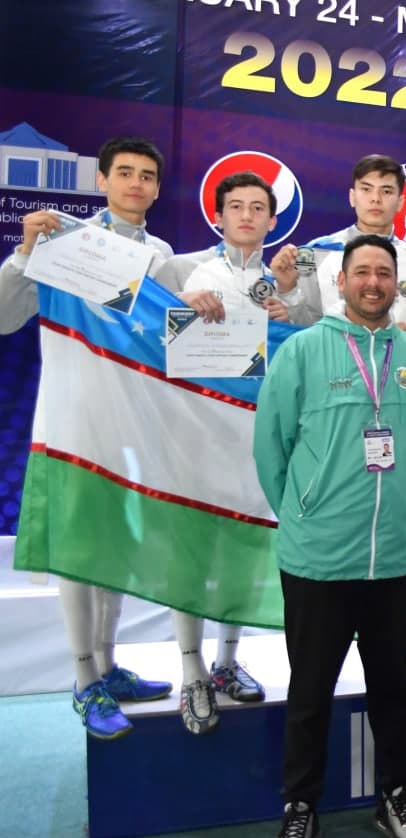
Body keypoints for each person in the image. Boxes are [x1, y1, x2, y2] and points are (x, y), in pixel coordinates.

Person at [253, 234, 406, 838]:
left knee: (392, 692)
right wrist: (303, 513)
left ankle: (395, 795)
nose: (373, 283)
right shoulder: (303, 351)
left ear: (397, 284)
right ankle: (300, 807)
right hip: (319, 560)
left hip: (393, 559)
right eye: (362, 272)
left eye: (384, 273)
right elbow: (271, 446)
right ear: (341, 281)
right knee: (310, 694)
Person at [1, 136, 174, 739]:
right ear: (101, 180)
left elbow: (170, 339)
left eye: (146, 175)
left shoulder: (161, 254)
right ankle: (83, 679)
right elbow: (4, 317)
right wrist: (24, 253)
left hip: (134, 422)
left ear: (158, 188)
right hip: (73, 417)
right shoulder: (62, 241)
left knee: (115, 550)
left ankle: (107, 665)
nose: (135, 183)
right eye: (124, 172)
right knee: (79, 550)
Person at [155, 171, 288, 734]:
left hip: (254, 435)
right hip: (196, 431)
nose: (247, 216)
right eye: (237, 206)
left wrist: (289, 323)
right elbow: (144, 332)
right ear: (218, 215)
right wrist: (178, 305)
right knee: (191, 554)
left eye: (258, 207)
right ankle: (191, 672)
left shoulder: (281, 282)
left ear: (272, 220)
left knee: (241, 549)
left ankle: (226, 661)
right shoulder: (184, 269)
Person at [272, 154, 406, 345]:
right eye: (366, 189)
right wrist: (288, 290)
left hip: (400, 362)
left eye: (386, 191)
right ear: (352, 197)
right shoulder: (317, 253)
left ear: (400, 202)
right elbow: (303, 328)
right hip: (332, 362)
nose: (375, 199)